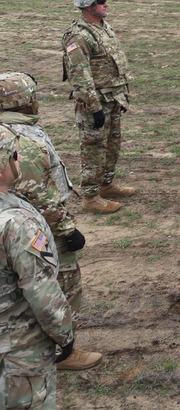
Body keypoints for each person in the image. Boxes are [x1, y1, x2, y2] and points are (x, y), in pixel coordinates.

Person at [0, 73, 101, 371]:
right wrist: (67, 229)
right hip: (38, 227)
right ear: (22, 100)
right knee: (63, 282)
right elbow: (36, 191)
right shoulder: (20, 139)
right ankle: (64, 349)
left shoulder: (12, 131)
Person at [0, 124, 76, 408]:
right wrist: (64, 333)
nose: (18, 159)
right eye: (12, 154)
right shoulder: (16, 224)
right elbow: (41, 291)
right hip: (19, 347)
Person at [61, 0, 135, 215]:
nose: (106, 5)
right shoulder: (78, 36)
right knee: (94, 147)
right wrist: (94, 108)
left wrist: (121, 95)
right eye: (102, 2)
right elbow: (79, 75)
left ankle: (106, 183)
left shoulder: (103, 28)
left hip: (112, 97)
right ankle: (90, 195)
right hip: (95, 101)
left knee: (112, 144)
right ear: (88, 6)